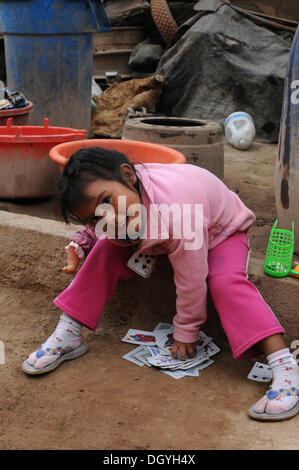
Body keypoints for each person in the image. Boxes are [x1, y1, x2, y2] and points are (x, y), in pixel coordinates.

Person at [22, 147, 299, 422]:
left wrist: (186, 331)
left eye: (107, 201)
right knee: (104, 251)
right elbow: (101, 223)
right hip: (163, 237)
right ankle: (68, 333)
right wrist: (83, 241)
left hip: (220, 233)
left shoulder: (180, 212)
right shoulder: (124, 208)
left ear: (128, 176)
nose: (108, 219)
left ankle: (285, 367)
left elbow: (191, 279)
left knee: (225, 282)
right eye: (95, 218)